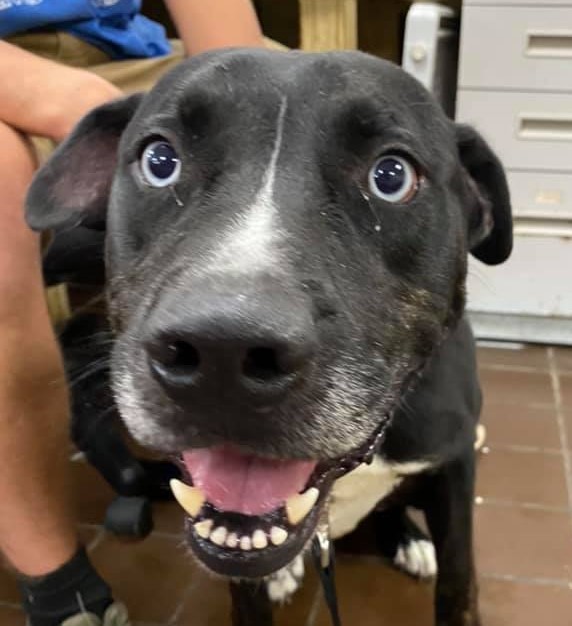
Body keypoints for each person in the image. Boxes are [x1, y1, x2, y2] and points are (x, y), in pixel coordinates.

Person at [0, 2, 267, 625]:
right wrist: (67, 95)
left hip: (130, 58)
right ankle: (54, 579)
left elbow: (232, 47)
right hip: (29, 76)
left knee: (312, 114)